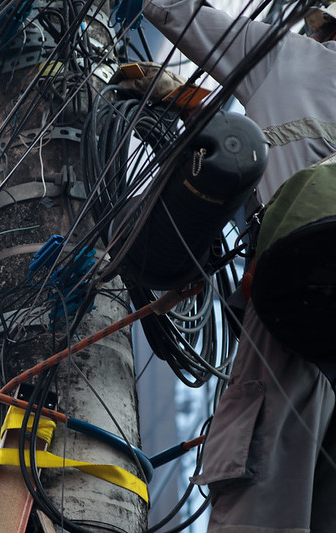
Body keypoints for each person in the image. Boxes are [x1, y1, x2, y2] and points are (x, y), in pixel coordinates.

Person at [140, 1, 336, 531]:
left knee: (265, 496)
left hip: (300, 304)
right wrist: (190, 101)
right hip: (308, 301)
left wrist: (183, 100)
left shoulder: (287, 55)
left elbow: (174, 11)